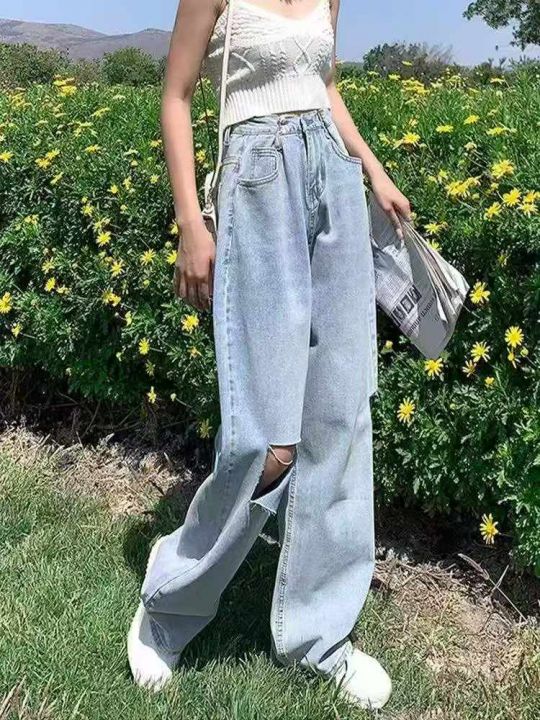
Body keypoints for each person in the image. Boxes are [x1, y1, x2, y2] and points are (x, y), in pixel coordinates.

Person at [127, 0, 411, 710]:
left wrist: (373, 171)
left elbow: (326, 85)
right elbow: (176, 96)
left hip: (335, 184)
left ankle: (319, 636)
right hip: (258, 183)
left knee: (340, 418)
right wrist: (190, 223)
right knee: (266, 440)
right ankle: (171, 598)